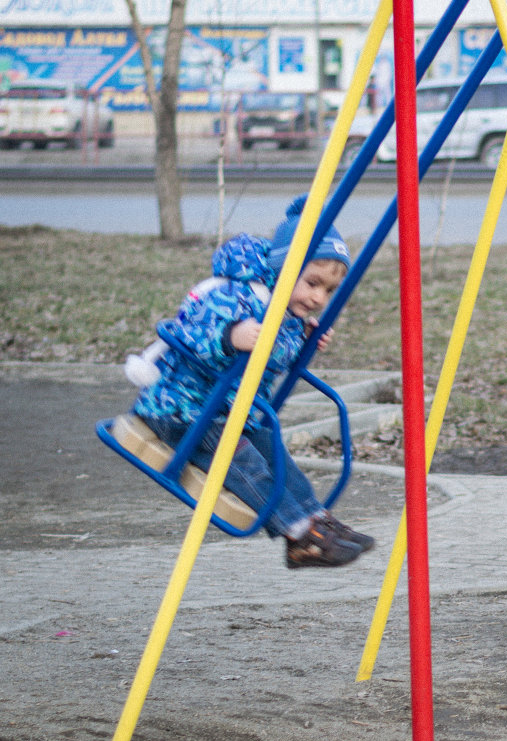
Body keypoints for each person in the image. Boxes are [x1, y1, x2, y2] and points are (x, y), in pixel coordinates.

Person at [130, 195, 375, 569]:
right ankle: (298, 531)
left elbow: (271, 353)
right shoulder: (235, 294)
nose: (317, 297)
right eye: (311, 283)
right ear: (283, 267)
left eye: (327, 291)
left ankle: (313, 519)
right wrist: (230, 334)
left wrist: (303, 341)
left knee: (273, 449)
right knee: (241, 456)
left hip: (226, 409)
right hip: (182, 408)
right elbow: (192, 331)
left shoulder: (285, 310)